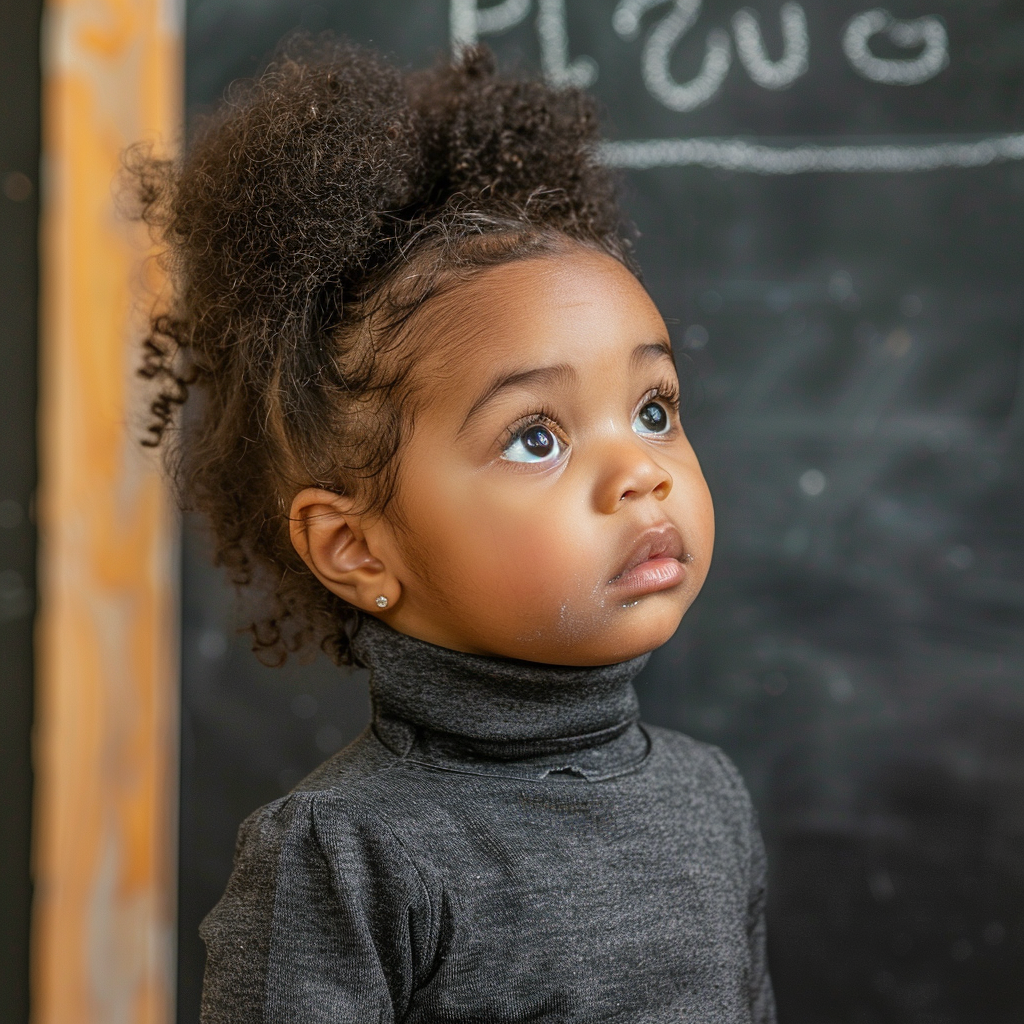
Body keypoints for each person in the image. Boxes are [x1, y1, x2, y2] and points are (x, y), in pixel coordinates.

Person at [129, 33, 775, 1023]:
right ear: (358, 547)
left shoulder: (709, 800)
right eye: (534, 435)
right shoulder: (346, 855)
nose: (640, 472)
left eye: (653, 409)